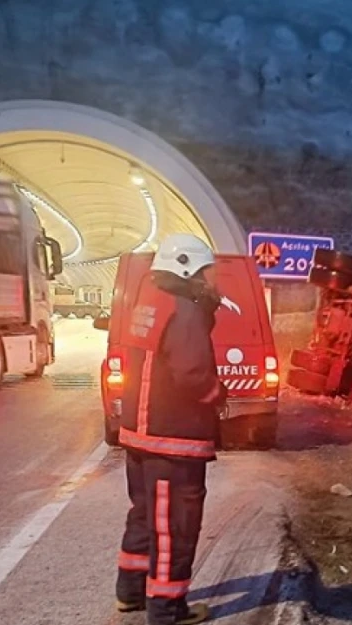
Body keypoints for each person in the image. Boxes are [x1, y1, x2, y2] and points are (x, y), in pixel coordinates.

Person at [114, 233, 226, 625]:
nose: (211, 279)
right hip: (173, 440)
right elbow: (193, 371)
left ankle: (131, 592)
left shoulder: (150, 303)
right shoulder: (184, 311)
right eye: (206, 271)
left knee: (144, 515)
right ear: (186, 268)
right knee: (175, 526)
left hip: (140, 434)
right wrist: (218, 395)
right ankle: (167, 609)